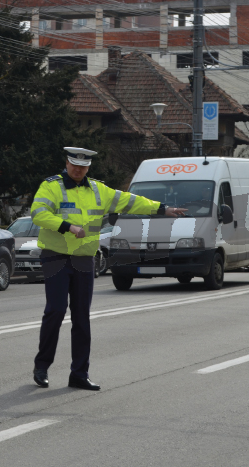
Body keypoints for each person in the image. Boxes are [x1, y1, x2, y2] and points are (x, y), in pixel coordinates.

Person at [30, 147, 187, 390]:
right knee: (56, 310)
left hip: (83, 258)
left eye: (83, 167)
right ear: (67, 163)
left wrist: (162, 209)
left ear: (89, 168)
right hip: (56, 257)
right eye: (74, 165)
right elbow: (38, 213)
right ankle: (42, 366)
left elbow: (130, 201)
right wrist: (67, 226)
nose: (78, 170)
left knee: (82, 316)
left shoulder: (98, 190)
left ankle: (79, 374)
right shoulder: (51, 186)